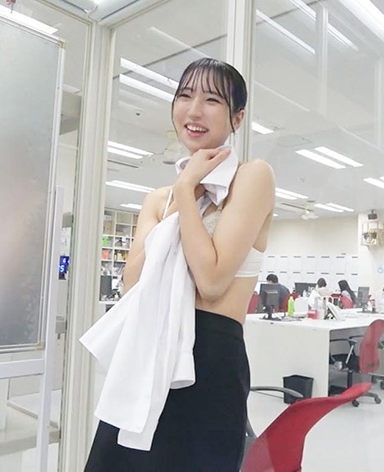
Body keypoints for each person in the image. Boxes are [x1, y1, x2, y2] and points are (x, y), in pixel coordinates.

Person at [85, 58, 275, 471]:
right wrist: (178, 197)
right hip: (146, 355)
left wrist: (187, 188)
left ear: (237, 118)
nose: (194, 110)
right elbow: (132, 284)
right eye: (185, 96)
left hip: (212, 361)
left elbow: (211, 279)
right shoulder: (158, 199)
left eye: (212, 100)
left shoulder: (252, 178)